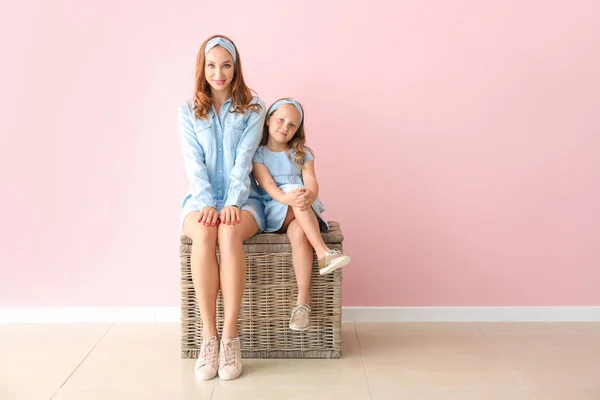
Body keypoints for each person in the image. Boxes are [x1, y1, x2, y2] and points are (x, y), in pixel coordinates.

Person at [178, 34, 266, 381]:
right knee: (205, 232)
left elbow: (244, 160)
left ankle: (231, 336)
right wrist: (206, 203)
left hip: (244, 199)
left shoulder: (254, 108)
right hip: (199, 199)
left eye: (226, 65)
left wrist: (231, 202)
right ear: (203, 68)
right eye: (212, 66)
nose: (219, 73)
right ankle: (208, 337)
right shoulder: (187, 111)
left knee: (228, 233)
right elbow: (193, 162)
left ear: (235, 68)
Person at [251, 98, 351, 332]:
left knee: (298, 233)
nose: (285, 127)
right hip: (277, 210)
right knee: (294, 193)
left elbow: (312, 183)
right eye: (281, 120)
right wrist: (291, 198)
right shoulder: (259, 154)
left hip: (302, 210)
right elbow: (268, 186)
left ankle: (302, 303)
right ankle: (323, 252)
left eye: (293, 125)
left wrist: (309, 195)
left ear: (298, 129)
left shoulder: (302, 153)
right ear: (268, 120)